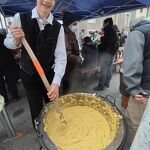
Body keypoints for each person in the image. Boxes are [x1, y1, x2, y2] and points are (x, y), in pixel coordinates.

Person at [4, 0, 67, 124]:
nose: (47, 1)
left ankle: (57, 136)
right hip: (29, 74)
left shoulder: (58, 27)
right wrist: (16, 41)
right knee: (36, 110)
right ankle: (42, 137)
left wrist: (56, 83)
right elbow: (8, 43)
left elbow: (61, 57)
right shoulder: (20, 18)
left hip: (49, 74)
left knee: (54, 106)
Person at [123, 18, 150, 146]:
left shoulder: (138, 33)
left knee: (135, 125)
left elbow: (132, 63)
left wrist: (133, 89)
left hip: (143, 91)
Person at [93, 17, 118, 90]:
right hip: (112, 53)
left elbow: (106, 43)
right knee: (109, 68)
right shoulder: (113, 30)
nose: (103, 24)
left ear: (107, 23)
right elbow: (112, 42)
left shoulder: (108, 29)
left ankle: (101, 86)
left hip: (107, 53)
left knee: (103, 69)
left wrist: (100, 44)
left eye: (104, 23)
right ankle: (107, 83)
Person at [62, 10, 81, 94]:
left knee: (68, 87)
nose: (75, 26)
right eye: (74, 24)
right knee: (66, 89)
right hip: (66, 68)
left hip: (70, 68)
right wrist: (79, 59)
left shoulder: (69, 33)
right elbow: (66, 54)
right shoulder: (64, 33)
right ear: (70, 23)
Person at [0, 29, 19, 104]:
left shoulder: (3, 37)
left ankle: (5, 100)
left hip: (6, 61)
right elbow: (11, 48)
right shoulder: (3, 37)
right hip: (7, 61)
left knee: (1, 83)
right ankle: (15, 96)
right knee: (10, 79)